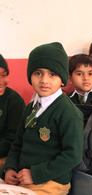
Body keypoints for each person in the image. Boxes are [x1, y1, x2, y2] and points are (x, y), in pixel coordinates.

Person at [0, 42, 84, 195]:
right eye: (38, 73)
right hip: (22, 178)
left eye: (52, 74)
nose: (44, 80)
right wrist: (10, 167)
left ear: (63, 79)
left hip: (51, 182)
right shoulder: (30, 108)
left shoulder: (68, 112)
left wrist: (35, 174)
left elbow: (73, 155)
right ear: (30, 76)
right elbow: (17, 143)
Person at [0, 54, 25, 171]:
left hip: (5, 157)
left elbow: (13, 139)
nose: (1, 81)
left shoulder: (14, 101)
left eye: (4, 75)